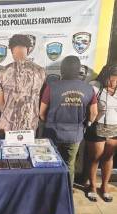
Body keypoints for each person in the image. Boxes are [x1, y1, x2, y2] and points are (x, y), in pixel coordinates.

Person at [40, 56, 98, 186]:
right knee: (69, 164)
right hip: (74, 134)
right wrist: (86, 124)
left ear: (62, 70)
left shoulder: (51, 87)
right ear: (78, 70)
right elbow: (94, 113)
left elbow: (41, 113)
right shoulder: (88, 89)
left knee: (50, 162)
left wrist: (48, 122)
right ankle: (67, 191)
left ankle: (50, 190)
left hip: (52, 133)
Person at [0, 34, 45, 132]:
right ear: (28, 49)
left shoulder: (2, 73)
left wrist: (8, 115)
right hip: (30, 125)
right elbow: (41, 100)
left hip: (8, 124)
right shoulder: (41, 72)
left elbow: (0, 102)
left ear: (11, 50)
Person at [84, 64, 117, 202]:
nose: (114, 82)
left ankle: (104, 187)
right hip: (96, 127)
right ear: (105, 76)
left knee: (108, 158)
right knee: (95, 158)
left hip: (114, 128)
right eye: (111, 79)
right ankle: (92, 187)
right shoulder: (94, 86)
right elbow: (87, 106)